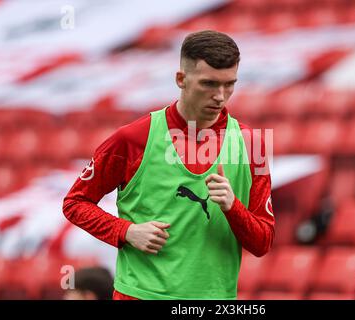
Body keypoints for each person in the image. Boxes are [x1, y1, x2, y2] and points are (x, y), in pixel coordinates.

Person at [62, 30, 275, 300]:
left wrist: (233, 208)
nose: (220, 96)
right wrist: (126, 231)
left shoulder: (250, 145)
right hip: (139, 295)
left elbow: (262, 243)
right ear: (181, 79)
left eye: (229, 84)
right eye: (209, 84)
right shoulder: (133, 139)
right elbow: (75, 203)